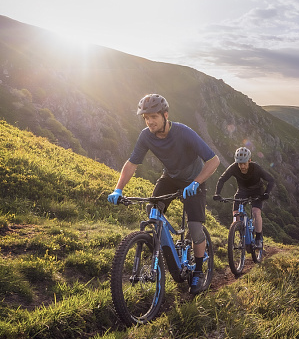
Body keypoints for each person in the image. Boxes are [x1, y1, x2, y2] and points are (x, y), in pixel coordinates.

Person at [108, 94, 220, 295]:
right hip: (170, 178)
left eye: (153, 116)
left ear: (165, 115)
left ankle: (198, 270)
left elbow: (213, 161)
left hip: (195, 180)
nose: (149, 121)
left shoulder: (184, 132)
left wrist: (196, 182)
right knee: (153, 211)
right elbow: (132, 163)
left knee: (195, 229)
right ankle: (161, 251)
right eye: (146, 117)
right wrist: (118, 189)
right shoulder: (146, 136)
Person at [213, 147, 275, 248]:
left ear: (249, 160)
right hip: (242, 191)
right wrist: (217, 194)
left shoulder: (256, 168)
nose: (242, 166)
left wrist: (266, 193)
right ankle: (240, 236)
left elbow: (271, 180)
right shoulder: (233, 167)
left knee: (256, 212)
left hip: (257, 191)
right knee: (236, 215)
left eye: (244, 163)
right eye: (239, 163)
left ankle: (258, 238)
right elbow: (222, 179)